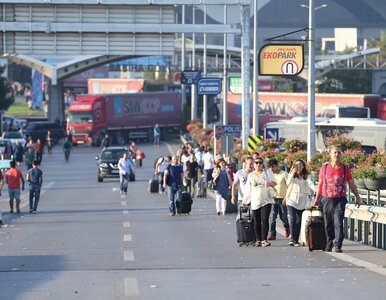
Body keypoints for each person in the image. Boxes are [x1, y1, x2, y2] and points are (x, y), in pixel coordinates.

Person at [314, 146, 361, 253]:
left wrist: (357, 197)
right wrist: (317, 199)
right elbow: (320, 184)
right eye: (335, 153)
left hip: (340, 199)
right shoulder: (324, 168)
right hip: (326, 199)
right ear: (330, 155)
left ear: (341, 155)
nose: (337, 155)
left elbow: (351, 184)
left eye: (339, 153)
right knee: (328, 223)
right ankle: (329, 243)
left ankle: (338, 245)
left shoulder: (345, 168)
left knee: (338, 222)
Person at [242, 157, 277, 247]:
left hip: (266, 200)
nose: (258, 164)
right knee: (256, 220)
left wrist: (268, 183)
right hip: (255, 201)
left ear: (262, 164)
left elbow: (275, 183)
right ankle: (258, 239)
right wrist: (245, 201)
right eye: (256, 163)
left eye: (260, 163)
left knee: (264, 219)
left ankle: (264, 239)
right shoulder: (251, 176)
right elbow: (248, 190)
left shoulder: (267, 173)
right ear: (254, 164)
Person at [283, 158, 312, 247]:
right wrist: (292, 173)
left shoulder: (306, 176)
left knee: (299, 221)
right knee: (293, 219)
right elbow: (287, 183)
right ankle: (292, 239)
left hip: (302, 201)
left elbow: (311, 184)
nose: (298, 167)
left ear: (303, 166)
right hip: (292, 200)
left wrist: (317, 189)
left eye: (300, 165)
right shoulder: (292, 175)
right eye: (296, 165)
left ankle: (296, 239)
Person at [267, 158, 290, 240]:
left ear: (277, 165)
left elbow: (289, 186)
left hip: (282, 199)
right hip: (273, 199)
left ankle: (287, 227)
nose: (271, 169)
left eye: (273, 167)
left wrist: (286, 198)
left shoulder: (284, 174)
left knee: (283, 217)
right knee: (272, 218)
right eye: (270, 167)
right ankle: (272, 233)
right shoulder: (270, 175)